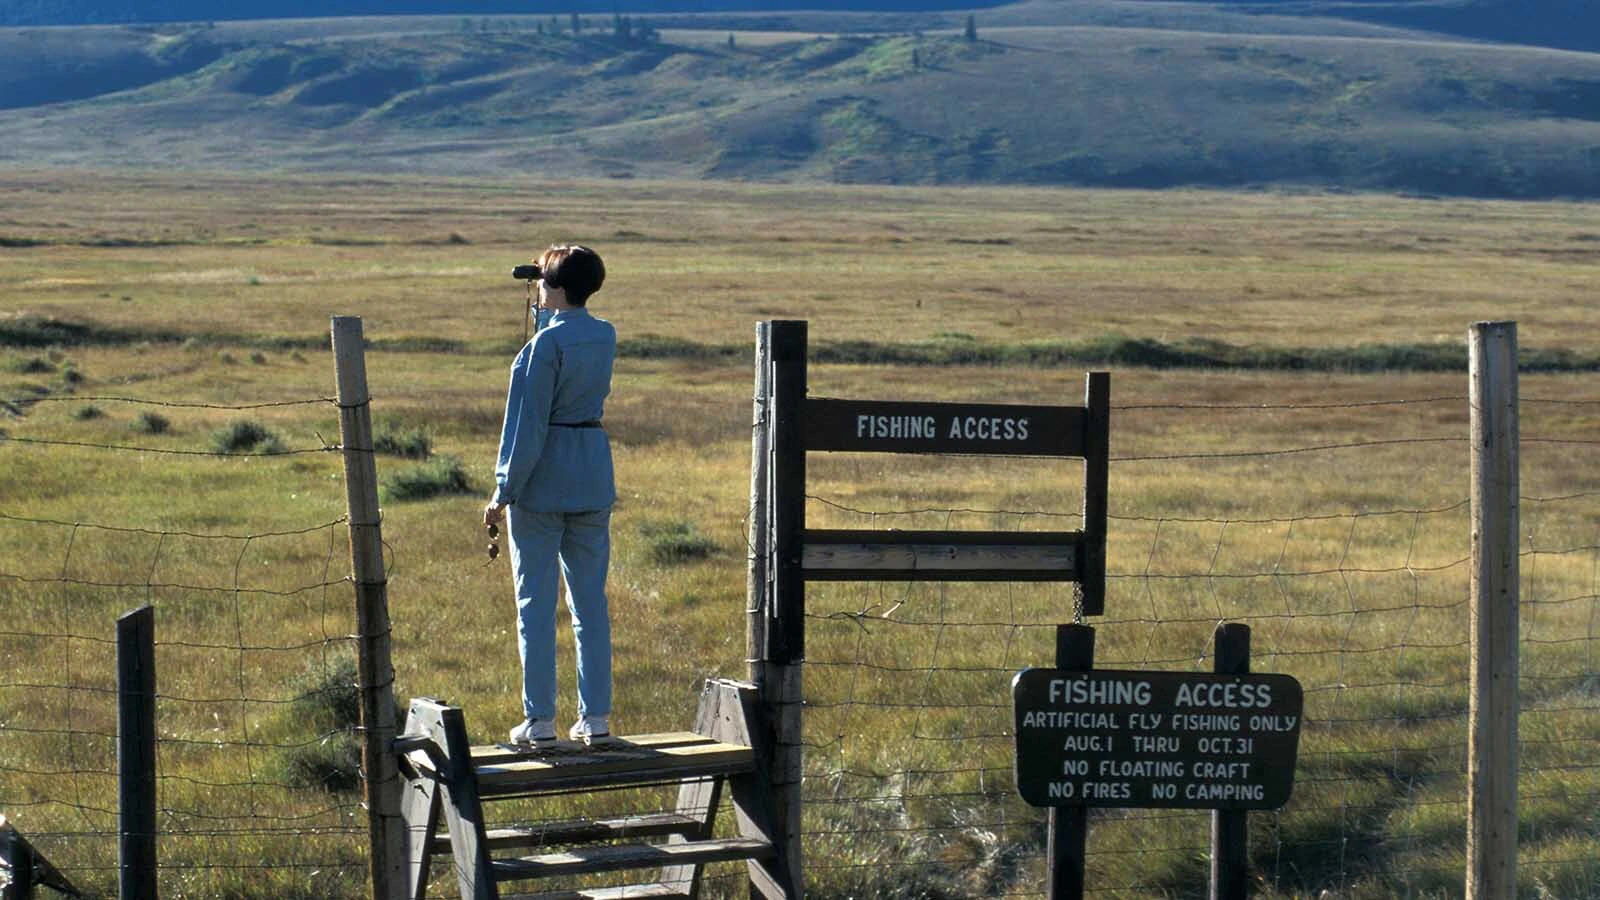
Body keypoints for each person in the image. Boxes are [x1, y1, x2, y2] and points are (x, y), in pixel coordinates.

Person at [483, 244, 616, 746]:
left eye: (541, 279)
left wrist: (502, 493)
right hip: (592, 477)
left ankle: (539, 720)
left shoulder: (540, 349)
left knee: (535, 606)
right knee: (589, 606)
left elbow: (526, 429)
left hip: (541, 489)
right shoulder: (605, 336)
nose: (537, 285)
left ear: (555, 285)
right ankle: (595, 718)